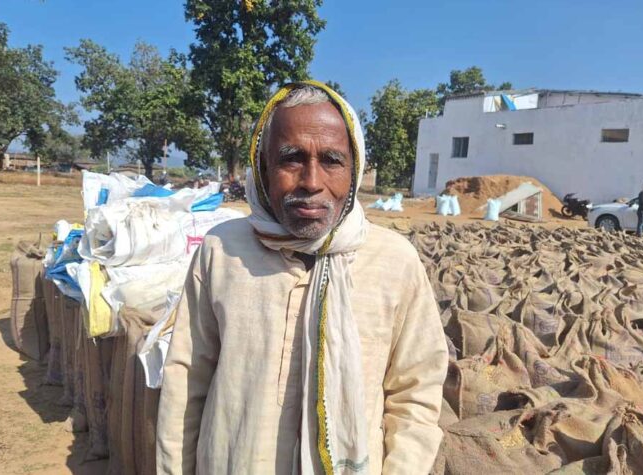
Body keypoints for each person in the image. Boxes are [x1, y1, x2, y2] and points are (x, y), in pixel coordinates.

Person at [156, 81, 448, 474]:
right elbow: (186, 383)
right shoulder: (221, 251)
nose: (311, 181)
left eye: (332, 160)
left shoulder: (395, 262)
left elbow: (415, 394)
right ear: (264, 168)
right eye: (291, 159)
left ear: (354, 170)